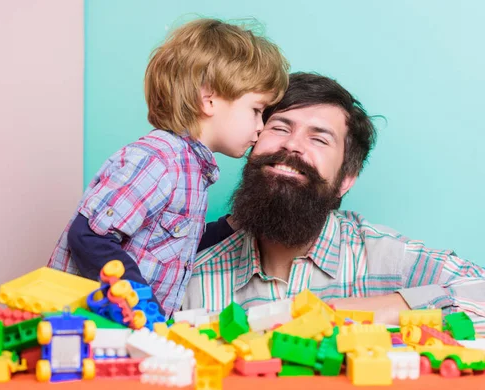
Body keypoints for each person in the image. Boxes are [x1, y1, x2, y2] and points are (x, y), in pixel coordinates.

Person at [183, 72, 485, 331]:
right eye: (280, 128)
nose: (292, 144)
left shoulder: (384, 258)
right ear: (253, 145)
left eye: (319, 139)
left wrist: (378, 309)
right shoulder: (192, 278)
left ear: (345, 179)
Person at [47, 18, 289, 317]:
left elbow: (175, 248)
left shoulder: (192, 173)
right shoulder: (158, 161)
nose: (260, 127)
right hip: (86, 322)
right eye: (257, 110)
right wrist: (139, 301)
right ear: (209, 100)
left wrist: (234, 225)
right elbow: (89, 236)